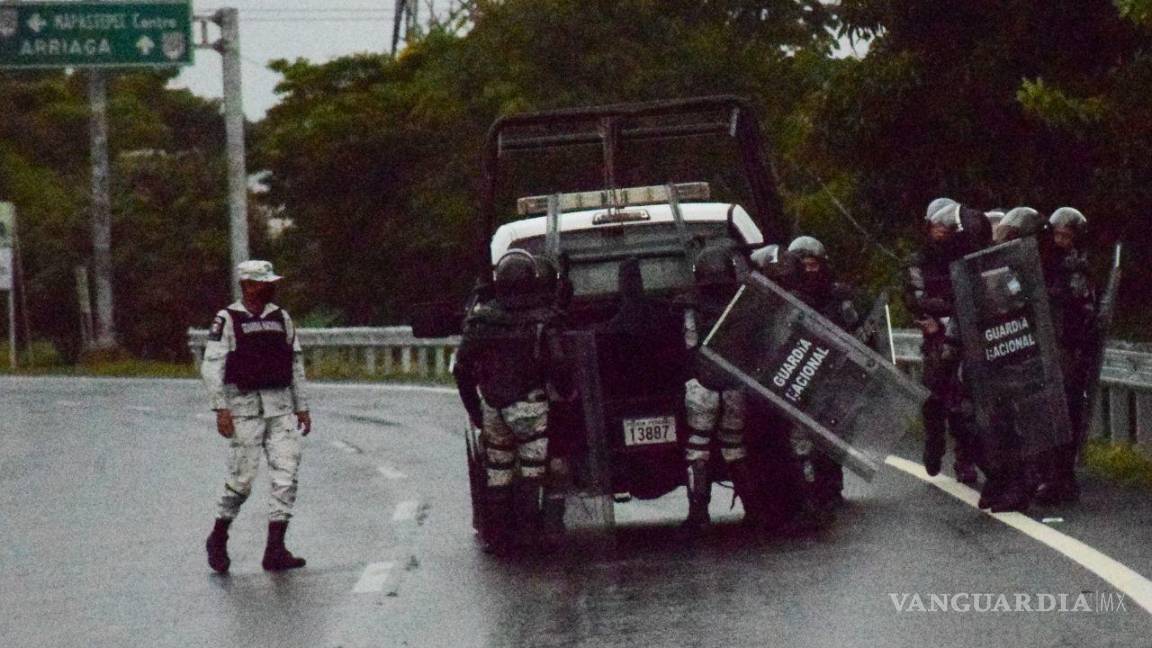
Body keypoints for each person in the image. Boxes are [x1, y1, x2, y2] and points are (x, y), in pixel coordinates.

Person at [202, 260, 312, 574]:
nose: (269, 287)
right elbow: (213, 366)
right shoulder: (227, 319)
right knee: (242, 481)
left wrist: (302, 406)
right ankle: (219, 534)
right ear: (248, 285)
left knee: (286, 477)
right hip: (244, 409)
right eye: (263, 283)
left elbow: (295, 364)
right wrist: (221, 408)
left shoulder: (281, 317)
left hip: (280, 408)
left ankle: (275, 549)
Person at [453, 249, 565, 553]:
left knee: (498, 470)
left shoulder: (482, 320)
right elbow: (558, 366)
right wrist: (564, 397)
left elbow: (461, 368)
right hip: (530, 405)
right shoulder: (543, 319)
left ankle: (499, 537)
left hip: (493, 406)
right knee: (532, 469)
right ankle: (531, 532)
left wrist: (477, 410)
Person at [681, 245, 772, 532]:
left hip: (703, 385)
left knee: (698, 448)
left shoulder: (690, 307)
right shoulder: (742, 304)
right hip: (734, 386)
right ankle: (754, 510)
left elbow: (689, 345)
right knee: (734, 448)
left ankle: (699, 513)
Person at [903, 198, 988, 488]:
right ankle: (934, 443)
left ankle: (965, 460)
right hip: (937, 333)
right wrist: (945, 312)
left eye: (946, 225)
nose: (941, 230)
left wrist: (959, 311)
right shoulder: (918, 261)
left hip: (967, 331)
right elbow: (916, 297)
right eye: (936, 224)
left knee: (965, 401)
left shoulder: (966, 255)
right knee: (934, 395)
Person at [781, 236, 863, 509]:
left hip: (832, 372)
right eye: (802, 265)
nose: (808, 270)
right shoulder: (781, 297)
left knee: (834, 430)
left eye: (813, 264)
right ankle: (802, 489)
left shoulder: (838, 296)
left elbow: (856, 332)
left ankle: (832, 485)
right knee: (796, 436)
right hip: (795, 374)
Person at [1034, 207, 1098, 505]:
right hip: (1049, 347)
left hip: (1069, 351)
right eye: (1057, 234)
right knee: (1046, 412)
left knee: (1066, 413)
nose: (1061, 241)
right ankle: (1050, 475)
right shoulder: (1044, 263)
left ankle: (1063, 477)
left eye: (1067, 236)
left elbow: (1083, 309)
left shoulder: (1078, 269)